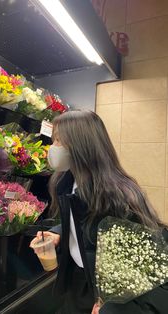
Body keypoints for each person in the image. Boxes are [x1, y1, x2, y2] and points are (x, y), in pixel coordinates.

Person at [30, 110, 168, 314]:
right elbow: (84, 223)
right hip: (81, 281)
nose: (53, 148)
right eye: (53, 140)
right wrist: (59, 232)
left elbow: (148, 269)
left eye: (59, 141)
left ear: (81, 145)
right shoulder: (66, 182)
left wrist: (113, 307)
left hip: (105, 297)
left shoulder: (117, 197)